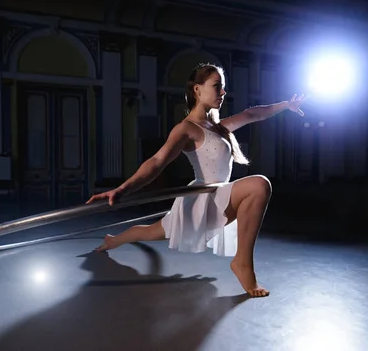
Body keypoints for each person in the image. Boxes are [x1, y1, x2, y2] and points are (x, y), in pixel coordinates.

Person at [86, 62, 307, 297]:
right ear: (197, 89)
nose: (223, 92)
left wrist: (286, 105)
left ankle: (241, 262)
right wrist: (123, 189)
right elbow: (157, 161)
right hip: (202, 200)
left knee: (256, 187)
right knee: (152, 231)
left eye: (223, 87)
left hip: (219, 195)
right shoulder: (186, 129)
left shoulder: (220, 128)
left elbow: (252, 114)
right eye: (217, 86)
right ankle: (114, 240)